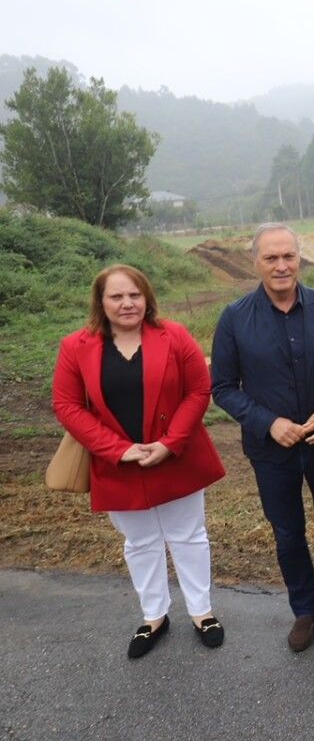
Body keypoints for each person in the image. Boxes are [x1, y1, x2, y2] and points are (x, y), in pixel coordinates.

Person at [211, 223, 314, 653]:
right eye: (272, 258)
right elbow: (224, 387)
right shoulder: (235, 318)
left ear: (299, 259)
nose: (282, 265)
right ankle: (304, 611)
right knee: (288, 533)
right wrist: (269, 423)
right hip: (271, 451)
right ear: (256, 263)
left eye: (289, 256)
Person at [52, 264, 226, 658]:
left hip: (175, 456)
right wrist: (117, 449)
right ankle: (154, 617)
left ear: (146, 298)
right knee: (140, 542)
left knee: (189, 536)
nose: (127, 303)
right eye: (116, 296)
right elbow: (66, 404)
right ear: (101, 302)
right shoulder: (75, 346)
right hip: (118, 464)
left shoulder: (175, 335)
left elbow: (199, 390)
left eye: (134, 295)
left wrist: (170, 442)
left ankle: (202, 612)